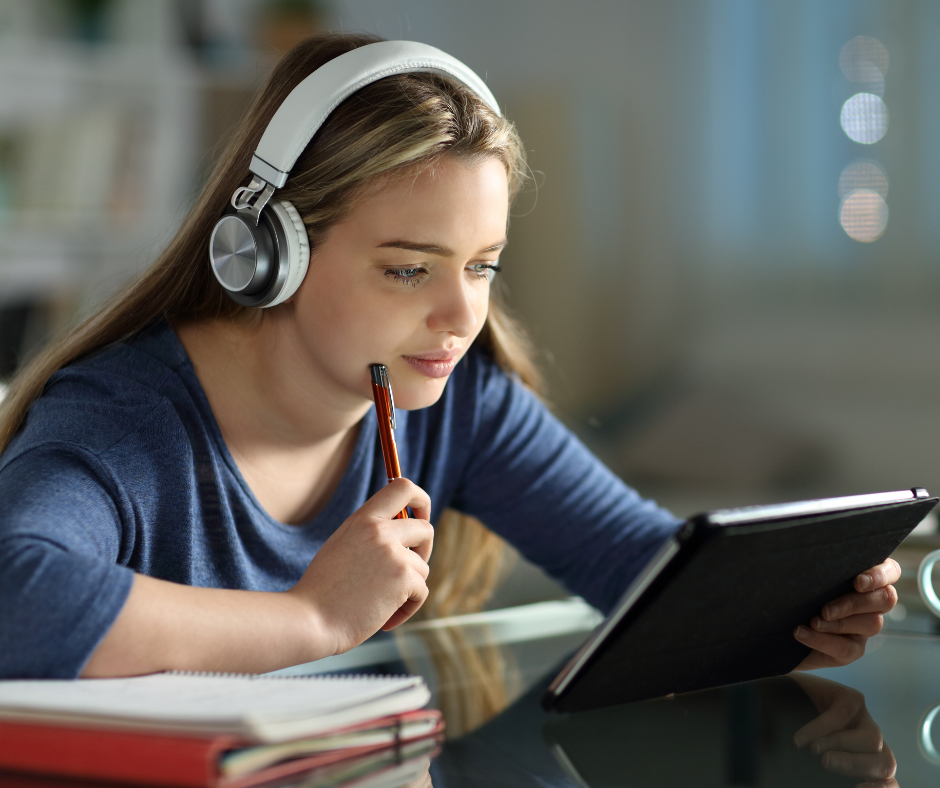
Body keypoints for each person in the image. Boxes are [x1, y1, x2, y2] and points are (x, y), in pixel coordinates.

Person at [0, 33, 900, 680]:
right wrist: (311, 617)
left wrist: (803, 604)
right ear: (267, 254)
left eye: (482, 267)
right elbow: (16, 596)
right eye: (406, 269)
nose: (461, 314)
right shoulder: (124, 417)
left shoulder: (457, 401)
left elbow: (649, 573)